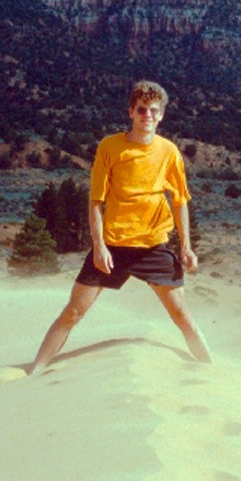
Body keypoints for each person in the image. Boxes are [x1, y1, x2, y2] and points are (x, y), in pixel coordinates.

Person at [30, 80, 212, 373]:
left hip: (152, 246)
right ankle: (35, 370)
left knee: (181, 315)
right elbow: (95, 202)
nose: (147, 116)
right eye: (142, 110)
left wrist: (186, 247)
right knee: (73, 313)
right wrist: (99, 246)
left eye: (154, 110)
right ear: (131, 112)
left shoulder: (169, 152)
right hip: (113, 247)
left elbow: (180, 201)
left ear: (161, 115)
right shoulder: (110, 147)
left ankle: (210, 370)